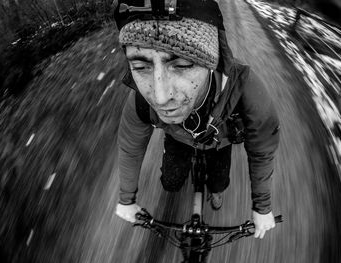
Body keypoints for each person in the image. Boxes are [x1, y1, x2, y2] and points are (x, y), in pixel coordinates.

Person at [113, 0, 280, 239]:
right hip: (177, 139)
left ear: (214, 61)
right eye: (140, 66)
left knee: (218, 183)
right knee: (170, 182)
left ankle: (216, 190)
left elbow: (263, 148)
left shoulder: (246, 89)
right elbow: (130, 147)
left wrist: (262, 207)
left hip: (219, 143)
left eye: (182, 63)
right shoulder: (139, 100)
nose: (160, 98)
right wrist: (126, 199)